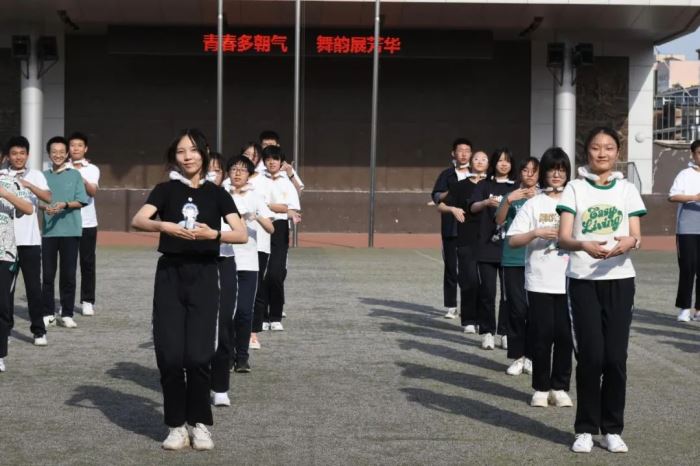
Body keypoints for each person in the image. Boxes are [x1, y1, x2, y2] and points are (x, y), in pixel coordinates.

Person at [131, 129, 247, 451]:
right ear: (175, 157)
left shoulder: (217, 194)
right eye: (181, 151)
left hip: (206, 275)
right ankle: (175, 426)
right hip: (170, 275)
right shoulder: (165, 190)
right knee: (170, 356)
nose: (187, 157)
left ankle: (199, 424)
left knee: (198, 356)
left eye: (193, 150)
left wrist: (214, 235)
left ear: (204, 154)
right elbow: (139, 219)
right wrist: (163, 225)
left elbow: (240, 234)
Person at [557, 127, 646, 454]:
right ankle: (584, 428)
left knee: (615, 358)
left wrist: (629, 242)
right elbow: (563, 238)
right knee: (591, 357)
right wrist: (583, 244)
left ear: (618, 152)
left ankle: (612, 429)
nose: (602, 153)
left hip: (620, 281)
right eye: (596, 147)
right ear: (587, 152)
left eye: (609, 147)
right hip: (583, 281)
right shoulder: (575, 188)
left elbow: (636, 235)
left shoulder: (627, 189)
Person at [507, 148, 573, 408]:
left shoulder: (575, 199)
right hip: (540, 281)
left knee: (565, 336)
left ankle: (560, 387)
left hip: (572, 279)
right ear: (543, 173)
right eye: (552, 169)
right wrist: (536, 232)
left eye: (561, 170)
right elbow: (513, 240)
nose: (556, 175)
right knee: (542, 335)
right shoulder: (534, 203)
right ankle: (541, 388)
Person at [226, 156, 274, 376]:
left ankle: (242, 357)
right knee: (226, 312)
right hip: (225, 259)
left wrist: (255, 216)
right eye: (234, 169)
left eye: (243, 170)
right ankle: (227, 355)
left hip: (248, 263)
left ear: (249, 175)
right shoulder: (221, 194)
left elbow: (271, 228)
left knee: (245, 311)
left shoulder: (255, 197)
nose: (237, 173)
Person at [2, 136, 52, 346]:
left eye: (22, 153)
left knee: (33, 288)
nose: (18, 157)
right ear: (8, 156)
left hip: (30, 241)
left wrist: (28, 185)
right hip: (6, 244)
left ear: (28, 155)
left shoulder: (36, 175)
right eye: (14, 153)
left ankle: (38, 331)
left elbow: (48, 197)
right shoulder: (2, 176)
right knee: (5, 291)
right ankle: (5, 331)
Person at [469, 148, 517, 350]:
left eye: (507, 161)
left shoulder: (517, 187)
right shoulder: (484, 185)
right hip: (486, 247)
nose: (504, 164)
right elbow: (472, 207)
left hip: (510, 248)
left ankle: (505, 332)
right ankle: (487, 332)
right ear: (493, 163)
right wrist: (485, 202)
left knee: (508, 294)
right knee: (487, 292)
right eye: (500, 160)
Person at [495, 157, 538, 374]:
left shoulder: (545, 197)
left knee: (535, 311)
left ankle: (532, 356)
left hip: (538, 260)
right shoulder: (511, 195)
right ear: (520, 173)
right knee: (516, 310)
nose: (529, 174)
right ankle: (518, 357)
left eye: (534, 171)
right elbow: (498, 220)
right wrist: (508, 201)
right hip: (513, 260)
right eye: (525, 170)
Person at [41, 136, 89, 329]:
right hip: (49, 233)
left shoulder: (75, 175)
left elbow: (82, 200)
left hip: (71, 232)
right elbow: (38, 201)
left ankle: (67, 313)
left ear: (67, 153)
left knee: (68, 275)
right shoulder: (42, 176)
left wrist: (65, 205)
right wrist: (46, 208)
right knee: (47, 275)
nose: (58, 155)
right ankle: (48, 313)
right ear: (49, 154)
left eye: (62, 152)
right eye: (54, 152)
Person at [437, 149, 486, 333]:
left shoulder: (491, 185)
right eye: (476, 159)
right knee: (469, 280)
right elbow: (441, 205)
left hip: (489, 240)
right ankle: (469, 320)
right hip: (466, 238)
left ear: (488, 164)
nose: (480, 161)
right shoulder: (460, 186)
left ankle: (484, 321)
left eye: (484, 159)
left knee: (486, 284)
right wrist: (453, 209)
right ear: (471, 163)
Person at [256, 145, 300, 331]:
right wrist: (280, 207)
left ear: (281, 162)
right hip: (260, 226)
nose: (271, 162)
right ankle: (262, 316)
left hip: (280, 228)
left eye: (275, 159)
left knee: (276, 273)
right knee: (261, 273)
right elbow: (257, 204)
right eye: (268, 159)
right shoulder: (257, 179)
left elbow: (293, 209)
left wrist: (271, 206)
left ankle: (275, 315)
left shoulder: (286, 182)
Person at [0, 154, 35, 371]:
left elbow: (28, 209)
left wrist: (5, 194)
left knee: (2, 305)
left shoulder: (11, 182)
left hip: (5, 253)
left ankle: (0, 354)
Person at [431, 138, 473, 319]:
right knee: (450, 267)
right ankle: (451, 306)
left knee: (469, 270)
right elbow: (436, 196)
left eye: (467, 150)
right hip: (451, 228)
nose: (463, 154)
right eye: (460, 150)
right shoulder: (446, 175)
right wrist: (452, 191)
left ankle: (468, 306)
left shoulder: (477, 174)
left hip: (471, 228)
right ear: (453, 153)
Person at [68, 132, 100, 316]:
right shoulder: (61, 168)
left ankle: (87, 301)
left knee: (87, 263)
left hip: (88, 222)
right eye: (72, 145)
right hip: (67, 222)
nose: (76, 148)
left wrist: (79, 176)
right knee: (68, 265)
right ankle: (67, 302)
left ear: (85, 149)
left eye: (79, 145)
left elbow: (92, 192)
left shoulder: (92, 169)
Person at [668, 139, 700, 322]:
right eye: (699, 152)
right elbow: (672, 196)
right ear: (693, 154)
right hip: (687, 229)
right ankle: (684, 308)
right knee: (688, 268)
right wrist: (695, 197)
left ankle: (699, 310)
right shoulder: (685, 174)